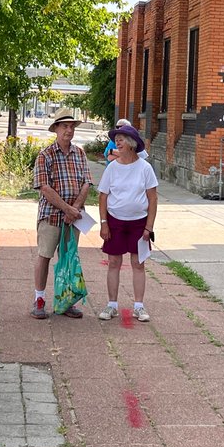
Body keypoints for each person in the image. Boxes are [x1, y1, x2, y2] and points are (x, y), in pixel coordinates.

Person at [31, 109, 92, 319]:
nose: (69, 130)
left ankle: (66, 301)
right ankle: (39, 299)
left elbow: (87, 182)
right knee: (45, 256)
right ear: (56, 129)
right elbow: (44, 187)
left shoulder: (80, 153)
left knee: (68, 259)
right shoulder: (45, 155)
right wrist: (67, 209)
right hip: (51, 216)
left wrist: (74, 209)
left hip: (73, 218)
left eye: (72, 126)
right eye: (65, 126)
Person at [97, 124, 158, 323]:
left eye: (122, 138)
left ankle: (139, 306)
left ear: (131, 144)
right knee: (114, 262)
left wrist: (149, 227)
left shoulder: (145, 168)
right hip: (115, 220)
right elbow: (103, 197)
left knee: (138, 263)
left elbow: (152, 198)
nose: (118, 142)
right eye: (117, 139)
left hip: (139, 223)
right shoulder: (112, 168)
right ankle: (112, 305)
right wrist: (104, 223)